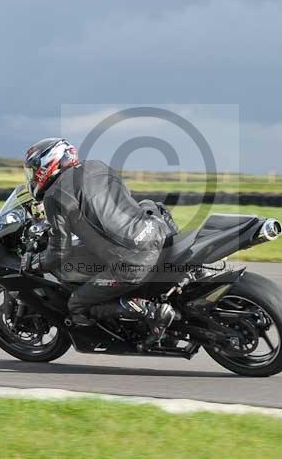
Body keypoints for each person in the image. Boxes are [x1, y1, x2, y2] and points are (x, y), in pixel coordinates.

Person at [22, 137, 178, 346]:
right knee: (146, 204)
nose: (32, 177)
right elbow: (117, 203)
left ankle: (151, 311)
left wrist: (35, 262)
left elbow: (60, 252)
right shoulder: (97, 166)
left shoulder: (54, 196)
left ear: (48, 164)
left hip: (131, 262)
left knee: (77, 304)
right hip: (155, 231)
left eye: (34, 170)